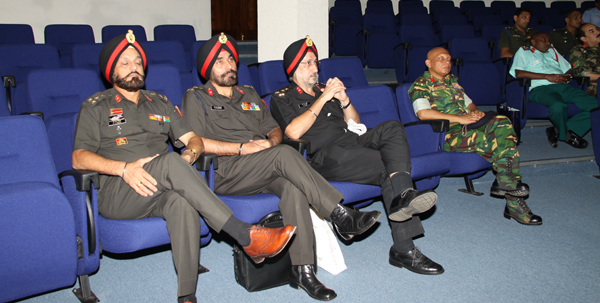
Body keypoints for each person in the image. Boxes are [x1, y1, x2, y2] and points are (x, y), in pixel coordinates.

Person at [72, 32, 297, 303]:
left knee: (180, 202)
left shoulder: (160, 102)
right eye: (125, 63)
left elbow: (193, 140)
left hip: (159, 186)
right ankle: (243, 234)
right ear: (111, 72)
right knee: (170, 160)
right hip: (120, 191)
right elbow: (79, 158)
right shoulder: (95, 107)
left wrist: (189, 155)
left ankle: (187, 295)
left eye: (138, 62)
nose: (134, 67)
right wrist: (124, 168)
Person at [182, 33, 381, 302]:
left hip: (262, 164)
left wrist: (270, 143)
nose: (228, 65)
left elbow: (274, 129)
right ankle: (338, 213)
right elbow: (196, 141)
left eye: (231, 59)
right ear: (207, 69)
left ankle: (303, 270)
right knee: (285, 154)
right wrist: (242, 148)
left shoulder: (248, 93)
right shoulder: (196, 97)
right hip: (226, 170)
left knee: (293, 186)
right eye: (220, 61)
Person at [269, 37, 443, 276]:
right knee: (387, 167)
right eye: (307, 63)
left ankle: (404, 194)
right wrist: (323, 98)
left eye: (315, 62)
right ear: (293, 69)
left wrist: (344, 100)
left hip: (351, 140)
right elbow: (293, 132)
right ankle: (404, 248)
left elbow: (355, 122)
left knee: (392, 127)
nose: (314, 68)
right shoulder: (282, 97)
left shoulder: (324, 89)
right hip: (323, 155)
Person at [408, 47, 542, 226]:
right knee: (499, 143)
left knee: (502, 121)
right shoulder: (421, 84)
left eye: (448, 59)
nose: (447, 62)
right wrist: (460, 119)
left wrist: (475, 112)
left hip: (470, 126)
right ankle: (513, 201)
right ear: (428, 63)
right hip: (446, 134)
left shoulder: (452, 81)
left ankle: (506, 182)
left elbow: (469, 103)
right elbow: (423, 114)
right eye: (441, 59)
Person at [510, 32, 597, 149]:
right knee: (558, 106)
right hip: (540, 89)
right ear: (533, 42)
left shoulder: (552, 51)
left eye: (548, 40)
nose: (548, 43)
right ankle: (566, 135)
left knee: (596, 105)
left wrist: (568, 76)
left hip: (563, 87)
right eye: (543, 40)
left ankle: (560, 129)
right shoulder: (524, 52)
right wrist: (547, 76)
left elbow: (569, 69)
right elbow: (519, 73)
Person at [569, 23, 600, 97]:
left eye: (597, 29)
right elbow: (580, 72)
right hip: (594, 87)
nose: (598, 32)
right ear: (584, 39)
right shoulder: (579, 51)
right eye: (592, 31)